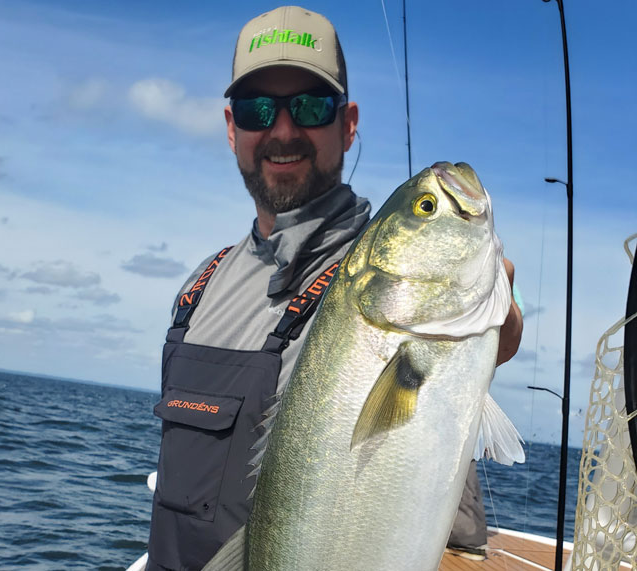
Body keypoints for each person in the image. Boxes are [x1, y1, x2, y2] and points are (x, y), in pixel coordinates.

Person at [146, 6, 523, 570]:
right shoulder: (200, 287)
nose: (282, 130)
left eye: (310, 106)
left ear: (348, 123)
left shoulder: (365, 269)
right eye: (256, 109)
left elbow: (475, 358)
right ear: (231, 128)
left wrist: (497, 329)